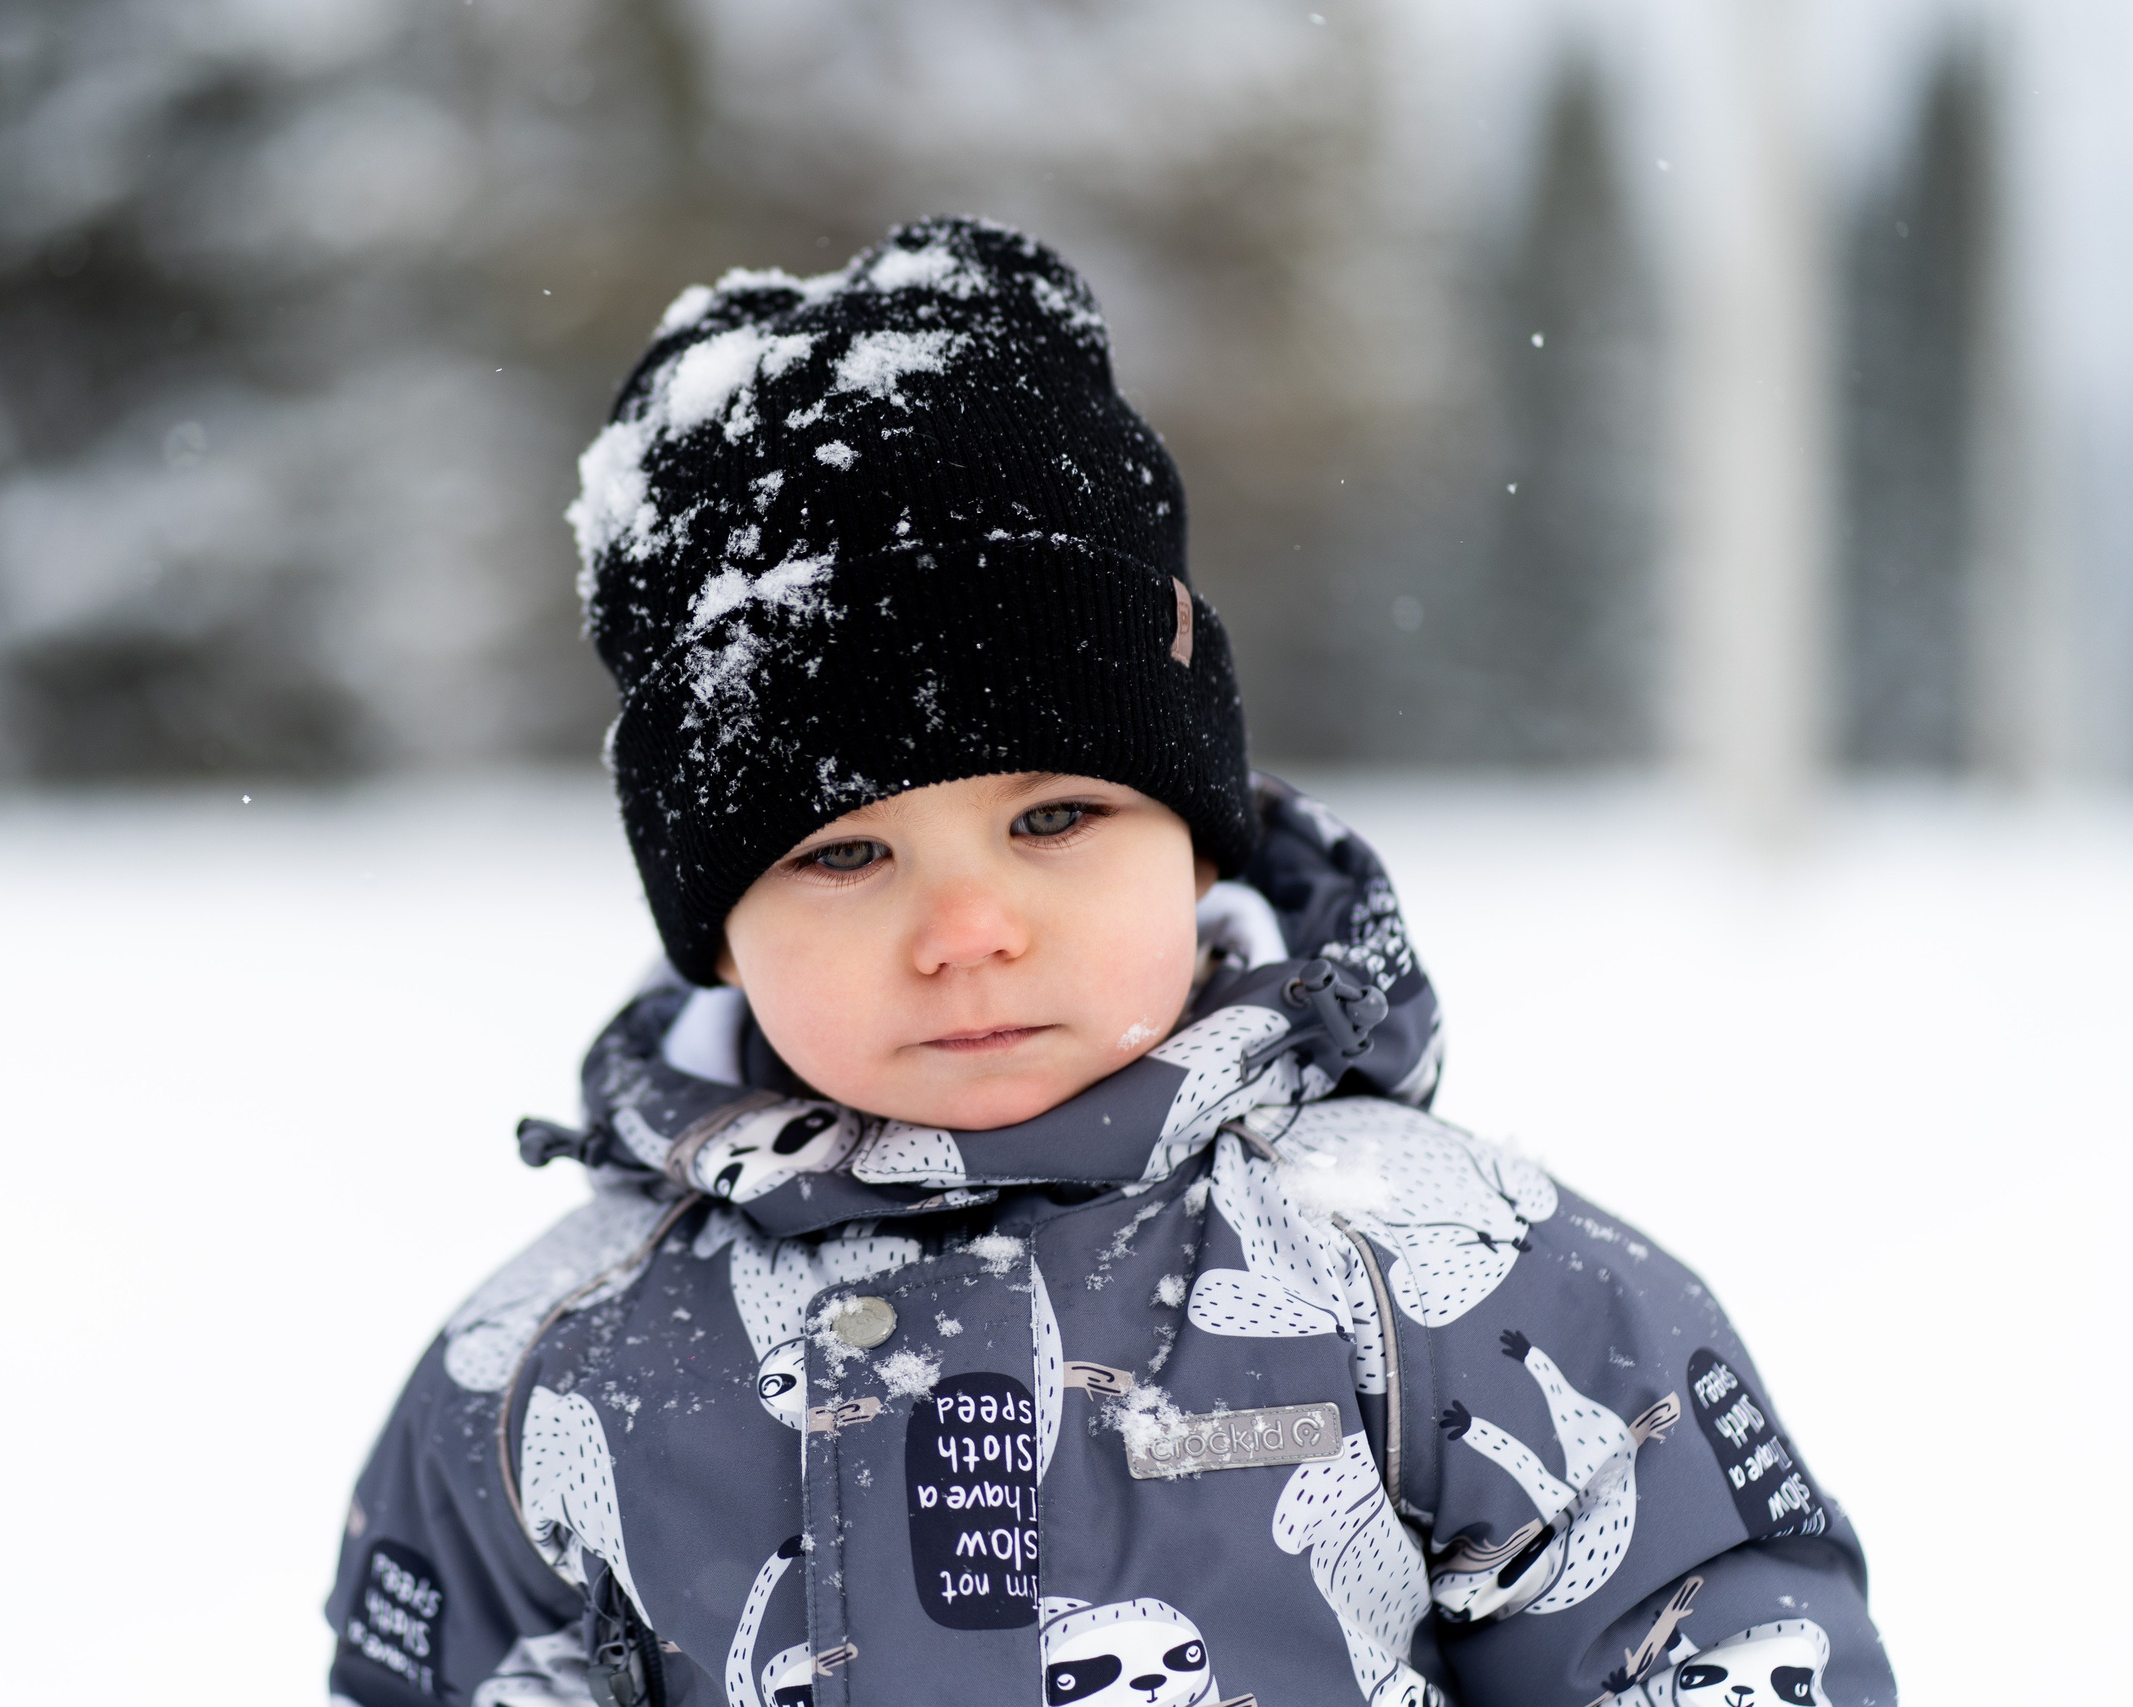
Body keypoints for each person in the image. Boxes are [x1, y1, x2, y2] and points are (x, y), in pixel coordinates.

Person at [325, 217, 1892, 1707]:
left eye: (1055, 818)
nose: (968, 931)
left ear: (1198, 847)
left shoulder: (1450, 1281)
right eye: (845, 856)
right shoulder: (552, 1368)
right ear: (718, 933)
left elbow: (1710, 1638)